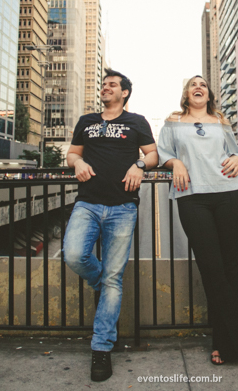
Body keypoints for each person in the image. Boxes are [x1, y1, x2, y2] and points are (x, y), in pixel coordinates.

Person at [157, 75, 238, 369]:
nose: (198, 87)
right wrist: (175, 163)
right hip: (192, 197)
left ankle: (221, 343)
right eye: (193, 85)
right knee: (212, 270)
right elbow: (164, 154)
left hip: (231, 193)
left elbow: (235, 152)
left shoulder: (220, 121)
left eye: (202, 84)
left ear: (209, 93)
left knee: (228, 270)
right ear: (186, 94)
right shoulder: (173, 122)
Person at [64, 69, 158, 382]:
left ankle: (101, 348)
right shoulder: (86, 121)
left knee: (115, 277)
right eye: (104, 85)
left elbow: (153, 154)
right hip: (87, 203)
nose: (106, 88)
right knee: (75, 255)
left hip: (123, 207)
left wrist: (140, 165)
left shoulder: (137, 122)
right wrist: (77, 162)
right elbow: (72, 154)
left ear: (125, 93)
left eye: (112, 85)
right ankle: (104, 287)